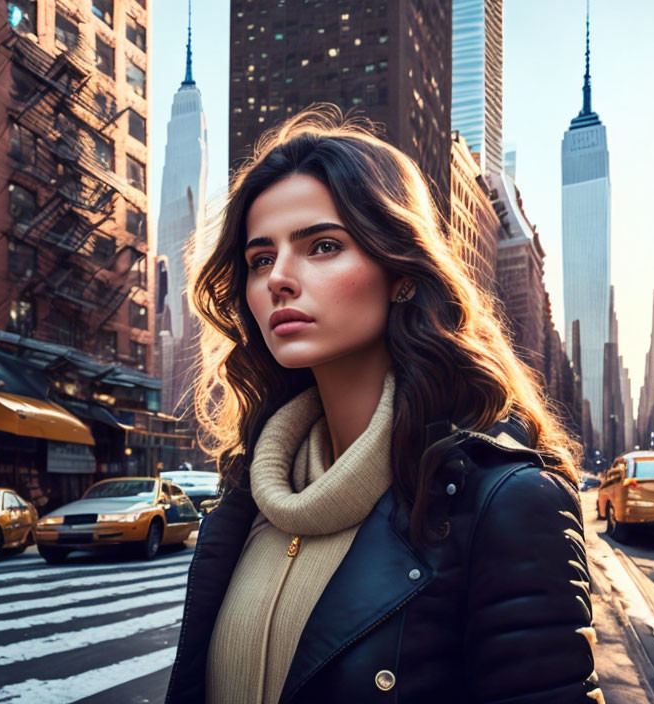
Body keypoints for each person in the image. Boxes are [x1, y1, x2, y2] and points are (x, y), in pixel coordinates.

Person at [165, 106, 601, 703]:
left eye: (321, 245)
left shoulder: (505, 502)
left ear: (401, 271)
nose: (278, 280)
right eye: (260, 259)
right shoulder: (246, 495)